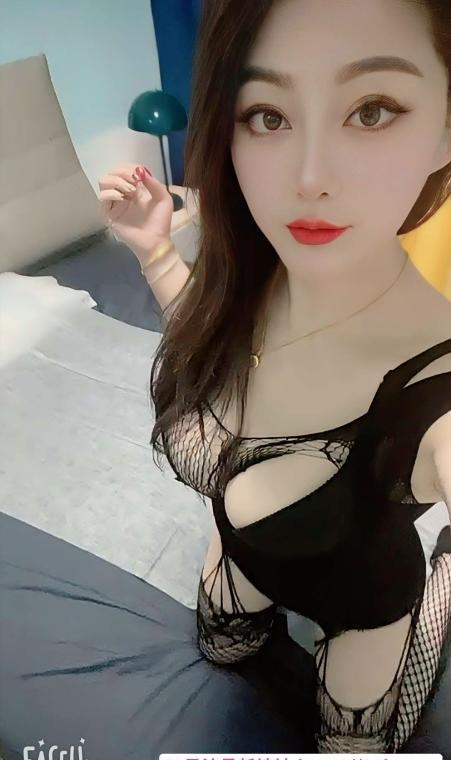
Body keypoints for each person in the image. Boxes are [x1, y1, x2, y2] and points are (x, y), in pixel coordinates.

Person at [1, 0, 450, 756]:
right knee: (221, 648)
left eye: (371, 110)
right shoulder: (257, 270)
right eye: (267, 115)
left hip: (361, 603)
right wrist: (153, 250)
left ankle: (437, 592)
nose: (309, 179)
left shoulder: (436, 377)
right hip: (243, 559)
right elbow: (210, 349)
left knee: (353, 746)